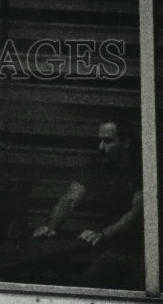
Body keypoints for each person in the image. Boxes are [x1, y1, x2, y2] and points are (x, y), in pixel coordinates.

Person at [32, 120, 144, 289]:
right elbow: (70, 198)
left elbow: (137, 212)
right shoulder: (98, 164)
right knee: (88, 285)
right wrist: (51, 227)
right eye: (100, 141)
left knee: (139, 293)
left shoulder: (142, 167)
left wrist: (102, 234)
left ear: (126, 142)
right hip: (117, 250)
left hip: (146, 253)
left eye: (108, 141)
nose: (101, 147)